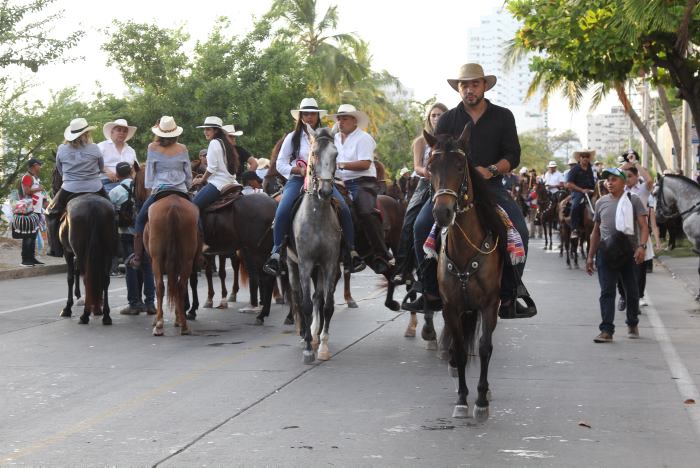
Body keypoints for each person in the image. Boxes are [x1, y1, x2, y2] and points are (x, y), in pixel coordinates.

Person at [403, 63, 535, 318]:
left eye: (475, 84)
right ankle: (429, 291)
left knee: (518, 229)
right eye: (465, 85)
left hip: (490, 187)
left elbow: (513, 155)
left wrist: (492, 170)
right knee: (419, 226)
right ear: (459, 89)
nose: (470, 89)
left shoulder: (503, 116)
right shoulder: (449, 119)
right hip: (451, 188)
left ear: (484, 86)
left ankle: (510, 294)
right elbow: (438, 153)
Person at [263, 98, 365, 276]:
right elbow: (279, 163)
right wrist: (297, 169)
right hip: (297, 181)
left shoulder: (327, 135)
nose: (309, 117)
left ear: (317, 115)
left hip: (323, 181)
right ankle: (276, 252)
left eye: (312, 113)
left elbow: (334, 158)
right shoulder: (291, 138)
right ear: (301, 116)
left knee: (345, 210)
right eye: (305, 113)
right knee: (283, 210)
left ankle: (351, 251)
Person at [586, 167, 649, 342]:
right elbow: (596, 232)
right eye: (607, 180)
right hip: (606, 253)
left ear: (623, 182)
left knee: (632, 291)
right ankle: (606, 330)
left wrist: (642, 247)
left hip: (629, 253)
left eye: (614, 179)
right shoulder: (600, 202)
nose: (609, 183)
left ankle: (632, 322)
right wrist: (590, 256)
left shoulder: (633, 200)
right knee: (607, 291)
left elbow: (644, 226)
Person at [331, 103, 394, 274]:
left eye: (344, 118)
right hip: (337, 182)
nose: (340, 122)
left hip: (361, 182)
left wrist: (341, 165)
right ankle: (346, 252)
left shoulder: (363, 138)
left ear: (354, 121)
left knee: (366, 211)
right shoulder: (334, 139)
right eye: (339, 119)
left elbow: (366, 163)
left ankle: (382, 254)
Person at [128, 116, 192, 268]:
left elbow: (150, 172)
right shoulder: (182, 148)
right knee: (197, 217)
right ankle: (201, 249)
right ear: (176, 133)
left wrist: (150, 190)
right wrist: (187, 187)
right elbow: (188, 172)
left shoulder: (152, 147)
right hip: (180, 189)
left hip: (160, 190)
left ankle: (137, 256)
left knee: (140, 219)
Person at [395, 104, 448, 283]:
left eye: (440, 115)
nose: (436, 118)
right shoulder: (420, 141)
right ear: (428, 118)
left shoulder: (452, 138)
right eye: (433, 115)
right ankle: (402, 268)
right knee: (410, 220)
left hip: (448, 184)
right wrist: (428, 172)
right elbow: (417, 166)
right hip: (426, 182)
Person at [46, 118, 108, 257]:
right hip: (95, 187)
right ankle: (115, 247)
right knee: (114, 211)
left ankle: (54, 248)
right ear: (87, 133)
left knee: (50, 213)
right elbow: (101, 167)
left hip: (70, 188)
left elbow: (60, 170)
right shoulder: (95, 148)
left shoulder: (61, 149)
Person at [109, 162, 155, 315]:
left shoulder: (115, 192)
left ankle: (134, 304)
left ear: (117, 175)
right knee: (147, 267)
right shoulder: (142, 188)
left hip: (126, 233)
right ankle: (150, 303)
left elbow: (109, 214)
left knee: (131, 268)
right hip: (145, 234)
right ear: (131, 172)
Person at [617, 152, 654, 309]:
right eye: (625, 176)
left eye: (630, 176)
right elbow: (610, 177)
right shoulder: (620, 189)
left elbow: (650, 180)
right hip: (623, 233)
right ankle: (623, 296)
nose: (627, 179)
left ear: (636, 176)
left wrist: (635, 162)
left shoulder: (643, 189)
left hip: (641, 232)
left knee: (640, 267)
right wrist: (625, 165)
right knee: (619, 266)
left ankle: (639, 295)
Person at [192, 116, 238, 215]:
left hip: (218, 184)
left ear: (216, 130)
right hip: (232, 182)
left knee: (192, 208)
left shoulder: (214, 143)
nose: (205, 132)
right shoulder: (226, 143)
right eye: (204, 129)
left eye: (208, 129)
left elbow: (212, 168)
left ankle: (199, 231)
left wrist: (202, 180)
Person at [98, 119, 138, 192]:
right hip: (107, 182)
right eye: (119, 130)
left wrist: (133, 179)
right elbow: (94, 162)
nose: (122, 133)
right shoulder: (101, 146)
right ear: (112, 132)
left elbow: (135, 169)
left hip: (128, 183)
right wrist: (107, 172)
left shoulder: (131, 150)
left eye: (125, 131)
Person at [19, 158, 45, 266]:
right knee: (28, 235)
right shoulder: (27, 177)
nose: (41, 167)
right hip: (30, 211)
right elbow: (26, 191)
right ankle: (25, 260)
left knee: (33, 235)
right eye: (40, 165)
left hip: (37, 210)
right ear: (34, 165)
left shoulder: (34, 177)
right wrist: (39, 189)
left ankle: (32, 258)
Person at [565, 150, 596, 239]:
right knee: (575, 205)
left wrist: (593, 189)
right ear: (580, 158)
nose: (585, 158)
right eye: (583, 156)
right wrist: (582, 190)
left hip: (590, 191)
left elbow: (592, 181)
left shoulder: (590, 168)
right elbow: (569, 183)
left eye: (587, 157)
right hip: (578, 192)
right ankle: (574, 228)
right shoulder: (575, 169)